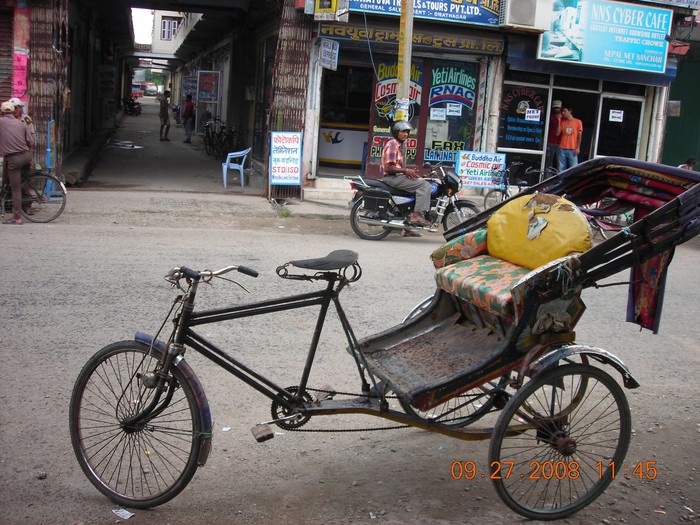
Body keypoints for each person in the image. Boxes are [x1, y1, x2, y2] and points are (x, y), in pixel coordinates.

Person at [381, 120, 431, 236]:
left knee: (416, 188)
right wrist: (406, 171)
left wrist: (409, 172)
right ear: (396, 132)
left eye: (407, 132)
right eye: (403, 131)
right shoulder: (393, 144)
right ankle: (416, 216)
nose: (405, 134)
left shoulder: (401, 145)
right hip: (391, 178)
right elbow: (388, 167)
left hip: (398, 177)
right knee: (424, 185)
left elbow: (398, 167)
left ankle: (407, 229)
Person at [0, 100, 33, 224]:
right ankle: (26, 205)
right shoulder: (21, 123)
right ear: (14, 110)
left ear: (1, 112)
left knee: (16, 188)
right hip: (26, 155)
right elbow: (30, 142)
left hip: (14, 158)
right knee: (24, 181)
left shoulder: (1, 122)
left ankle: (17, 217)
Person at [558, 105, 583, 172]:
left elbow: (579, 135)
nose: (563, 113)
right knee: (561, 169)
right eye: (562, 111)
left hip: (573, 148)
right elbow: (557, 133)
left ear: (570, 111)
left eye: (564, 111)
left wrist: (578, 147)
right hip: (562, 148)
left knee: (574, 169)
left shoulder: (578, 122)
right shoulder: (563, 122)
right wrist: (559, 120)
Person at [546, 100, 562, 170]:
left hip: (560, 142)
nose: (556, 109)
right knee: (549, 161)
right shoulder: (550, 117)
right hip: (551, 141)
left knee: (560, 162)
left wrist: (559, 120)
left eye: (557, 108)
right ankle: (547, 175)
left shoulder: (564, 118)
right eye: (555, 108)